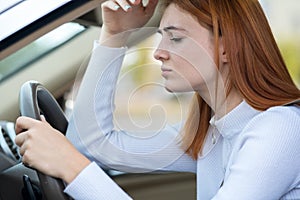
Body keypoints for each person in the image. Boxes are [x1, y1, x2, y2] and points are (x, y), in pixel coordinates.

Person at [15, 0, 300, 199]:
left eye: (174, 38)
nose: (158, 52)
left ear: (227, 48)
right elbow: (92, 145)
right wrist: (114, 34)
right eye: (161, 37)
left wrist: (70, 165)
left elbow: (77, 156)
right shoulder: (213, 133)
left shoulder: (279, 129)